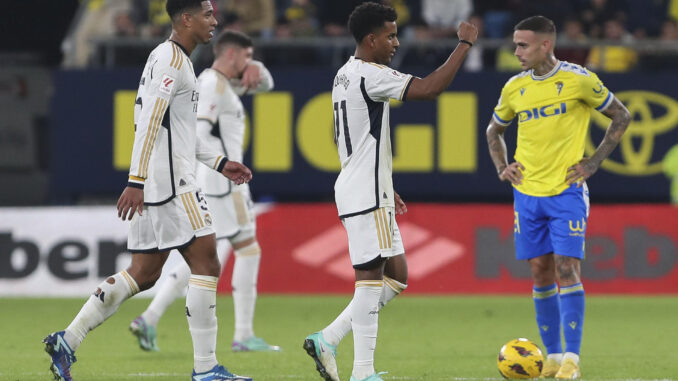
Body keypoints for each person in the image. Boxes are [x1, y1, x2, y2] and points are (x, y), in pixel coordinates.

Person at [43, 1, 254, 380]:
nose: (214, 21)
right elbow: (150, 122)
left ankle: (67, 340)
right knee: (206, 262)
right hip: (172, 184)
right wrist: (135, 181)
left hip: (158, 181)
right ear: (185, 19)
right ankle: (206, 370)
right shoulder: (173, 61)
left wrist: (220, 163)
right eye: (207, 14)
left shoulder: (171, 58)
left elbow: (178, 133)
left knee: (143, 273)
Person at [302, 3, 477, 381]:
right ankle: (362, 373)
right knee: (369, 279)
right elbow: (430, 89)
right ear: (371, 39)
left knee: (395, 276)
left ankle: (328, 338)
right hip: (365, 192)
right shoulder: (370, 74)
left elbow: (352, 136)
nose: (396, 42)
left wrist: (386, 182)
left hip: (365, 186)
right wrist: (463, 45)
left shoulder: (343, 74)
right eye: (391, 35)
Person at [486, 15, 631, 380]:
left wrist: (594, 162)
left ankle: (572, 359)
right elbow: (494, 129)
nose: (516, 51)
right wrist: (503, 166)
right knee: (539, 271)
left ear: (545, 45)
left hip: (566, 190)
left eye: (522, 44)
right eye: (515, 44)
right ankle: (550, 357)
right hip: (527, 195)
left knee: (567, 267)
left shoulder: (579, 80)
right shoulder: (514, 87)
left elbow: (621, 116)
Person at [129, 29, 280, 354]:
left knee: (200, 258)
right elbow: (196, 132)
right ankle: (243, 334)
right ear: (231, 55)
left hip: (217, 183)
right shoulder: (212, 85)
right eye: (247, 56)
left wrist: (259, 69)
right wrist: (222, 167)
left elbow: (267, 84)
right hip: (223, 185)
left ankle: (151, 316)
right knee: (243, 251)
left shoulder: (227, 83)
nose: (249, 62)